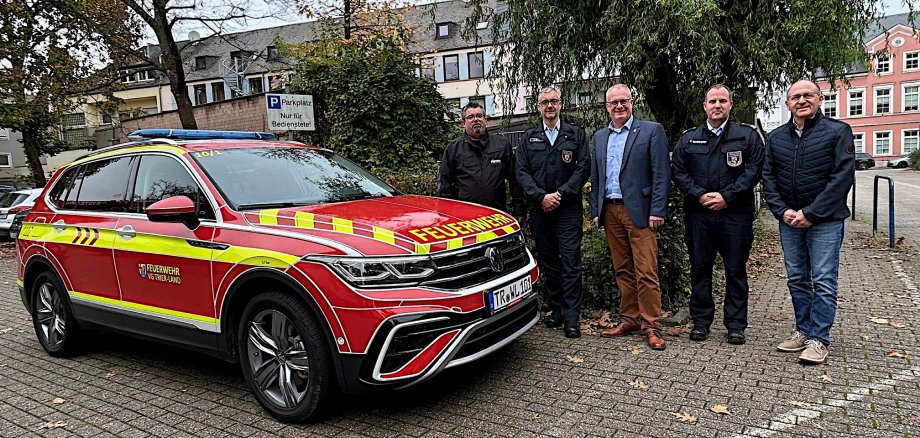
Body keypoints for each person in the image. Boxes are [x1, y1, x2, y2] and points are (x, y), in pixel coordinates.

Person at [762, 80, 855, 364]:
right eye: (795, 97)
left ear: (819, 99)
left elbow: (842, 178)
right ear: (788, 103)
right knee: (797, 279)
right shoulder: (776, 137)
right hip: (788, 220)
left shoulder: (837, 132)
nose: (802, 100)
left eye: (808, 95)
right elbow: (768, 178)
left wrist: (810, 213)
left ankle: (819, 340)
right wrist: (782, 211)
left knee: (824, 280)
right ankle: (804, 330)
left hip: (825, 221)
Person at [671, 84, 764, 345]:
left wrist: (727, 196)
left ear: (730, 105)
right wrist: (699, 194)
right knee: (700, 268)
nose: (717, 105)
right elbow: (678, 170)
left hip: (735, 214)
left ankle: (735, 325)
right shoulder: (689, 138)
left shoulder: (746, 136)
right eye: (712, 101)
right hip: (699, 214)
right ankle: (701, 322)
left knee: (735, 269)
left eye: (723, 101)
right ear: (705, 106)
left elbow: (754, 170)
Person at [589, 84, 671, 350]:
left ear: (632, 103)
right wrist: (595, 211)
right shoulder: (600, 137)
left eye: (623, 101)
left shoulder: (650, 131)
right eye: (614, 103)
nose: (619, 106)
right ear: (607, 107)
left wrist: (657, 210)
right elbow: (596, 176)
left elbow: (661, 174)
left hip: (640, 211)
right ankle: (630, 318)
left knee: (646, 271)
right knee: (622, 269)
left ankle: (652, 325)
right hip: (610, 210)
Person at [516, 86, 590, 338]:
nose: (549, 106)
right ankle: (557, 310)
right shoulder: (528, 137)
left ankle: (571, 318)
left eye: (554, 101)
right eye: (544, 102)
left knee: (570, 262)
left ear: (561, 105)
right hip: (540, 209)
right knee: (549, 261)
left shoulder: (575, 134)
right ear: (538, 107)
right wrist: (541, 197)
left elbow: (583, 169)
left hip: (567, 209)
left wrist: (560, 194)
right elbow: (522, 172)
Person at [437, 102, 525, 219]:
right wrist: (446, 215)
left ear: (485, 119)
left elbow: (515, 180)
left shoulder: (501, 145)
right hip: (465, 217)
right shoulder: (454, 149)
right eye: (470, 117)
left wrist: (519, 210)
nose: (476, 120)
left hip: (497, 214)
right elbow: (444, 185)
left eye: (479, 116)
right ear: (463, 123)